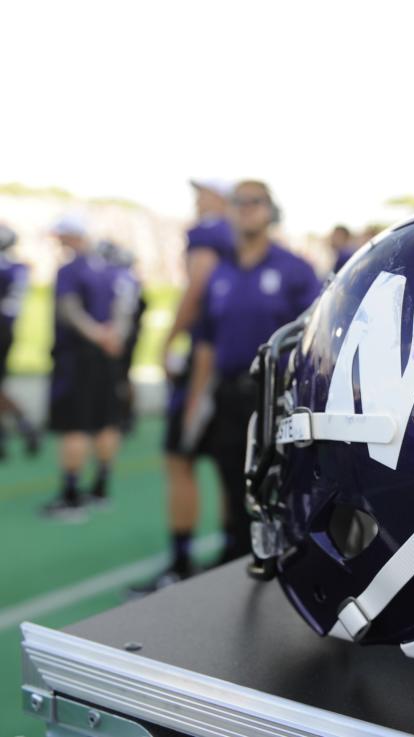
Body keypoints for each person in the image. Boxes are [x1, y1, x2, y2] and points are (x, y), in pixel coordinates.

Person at [185, 180, 321, 562]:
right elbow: (206, 342)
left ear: (270, 209)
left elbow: (314, 338)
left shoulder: (295, 270)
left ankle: (289, 558)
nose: (245, 208)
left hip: (276, 396)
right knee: (232, 477)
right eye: (238, 201)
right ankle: (237, 552)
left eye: (254, 201)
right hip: (228, 393)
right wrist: (197, 400)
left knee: (284, 480)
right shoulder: (221, 272)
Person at [139, 179, 235, 589]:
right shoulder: (239, 237)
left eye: (203, 192)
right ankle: (233, 552)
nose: (197, 199)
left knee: (181, 460)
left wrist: (168, 339)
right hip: (234, 362)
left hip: (205, 360)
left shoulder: (209, 232)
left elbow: (198, 285)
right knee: (232, 465)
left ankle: (181, 561)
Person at [42, 214, 123, 520]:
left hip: (77, 355)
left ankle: (72, 496)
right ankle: (100, 488)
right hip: (105, 354)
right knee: (105, 421)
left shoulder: (70, 269)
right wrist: (112, 336)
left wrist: (97, 335)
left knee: (73, 425)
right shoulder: (109, 270)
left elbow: (69, 310)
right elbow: (121, 308)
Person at [0, 223, 40, 459]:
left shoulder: (6, 267)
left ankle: (23, 427)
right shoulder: (18, 267)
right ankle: (18, 428)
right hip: (8, 329)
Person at [97, 240, 145, 434]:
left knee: (116, 377)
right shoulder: (132, 279)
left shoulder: (116, 278)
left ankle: (119, 414)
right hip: (130, 333)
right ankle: (127, 415)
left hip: (120, 333)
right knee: (124, 377)